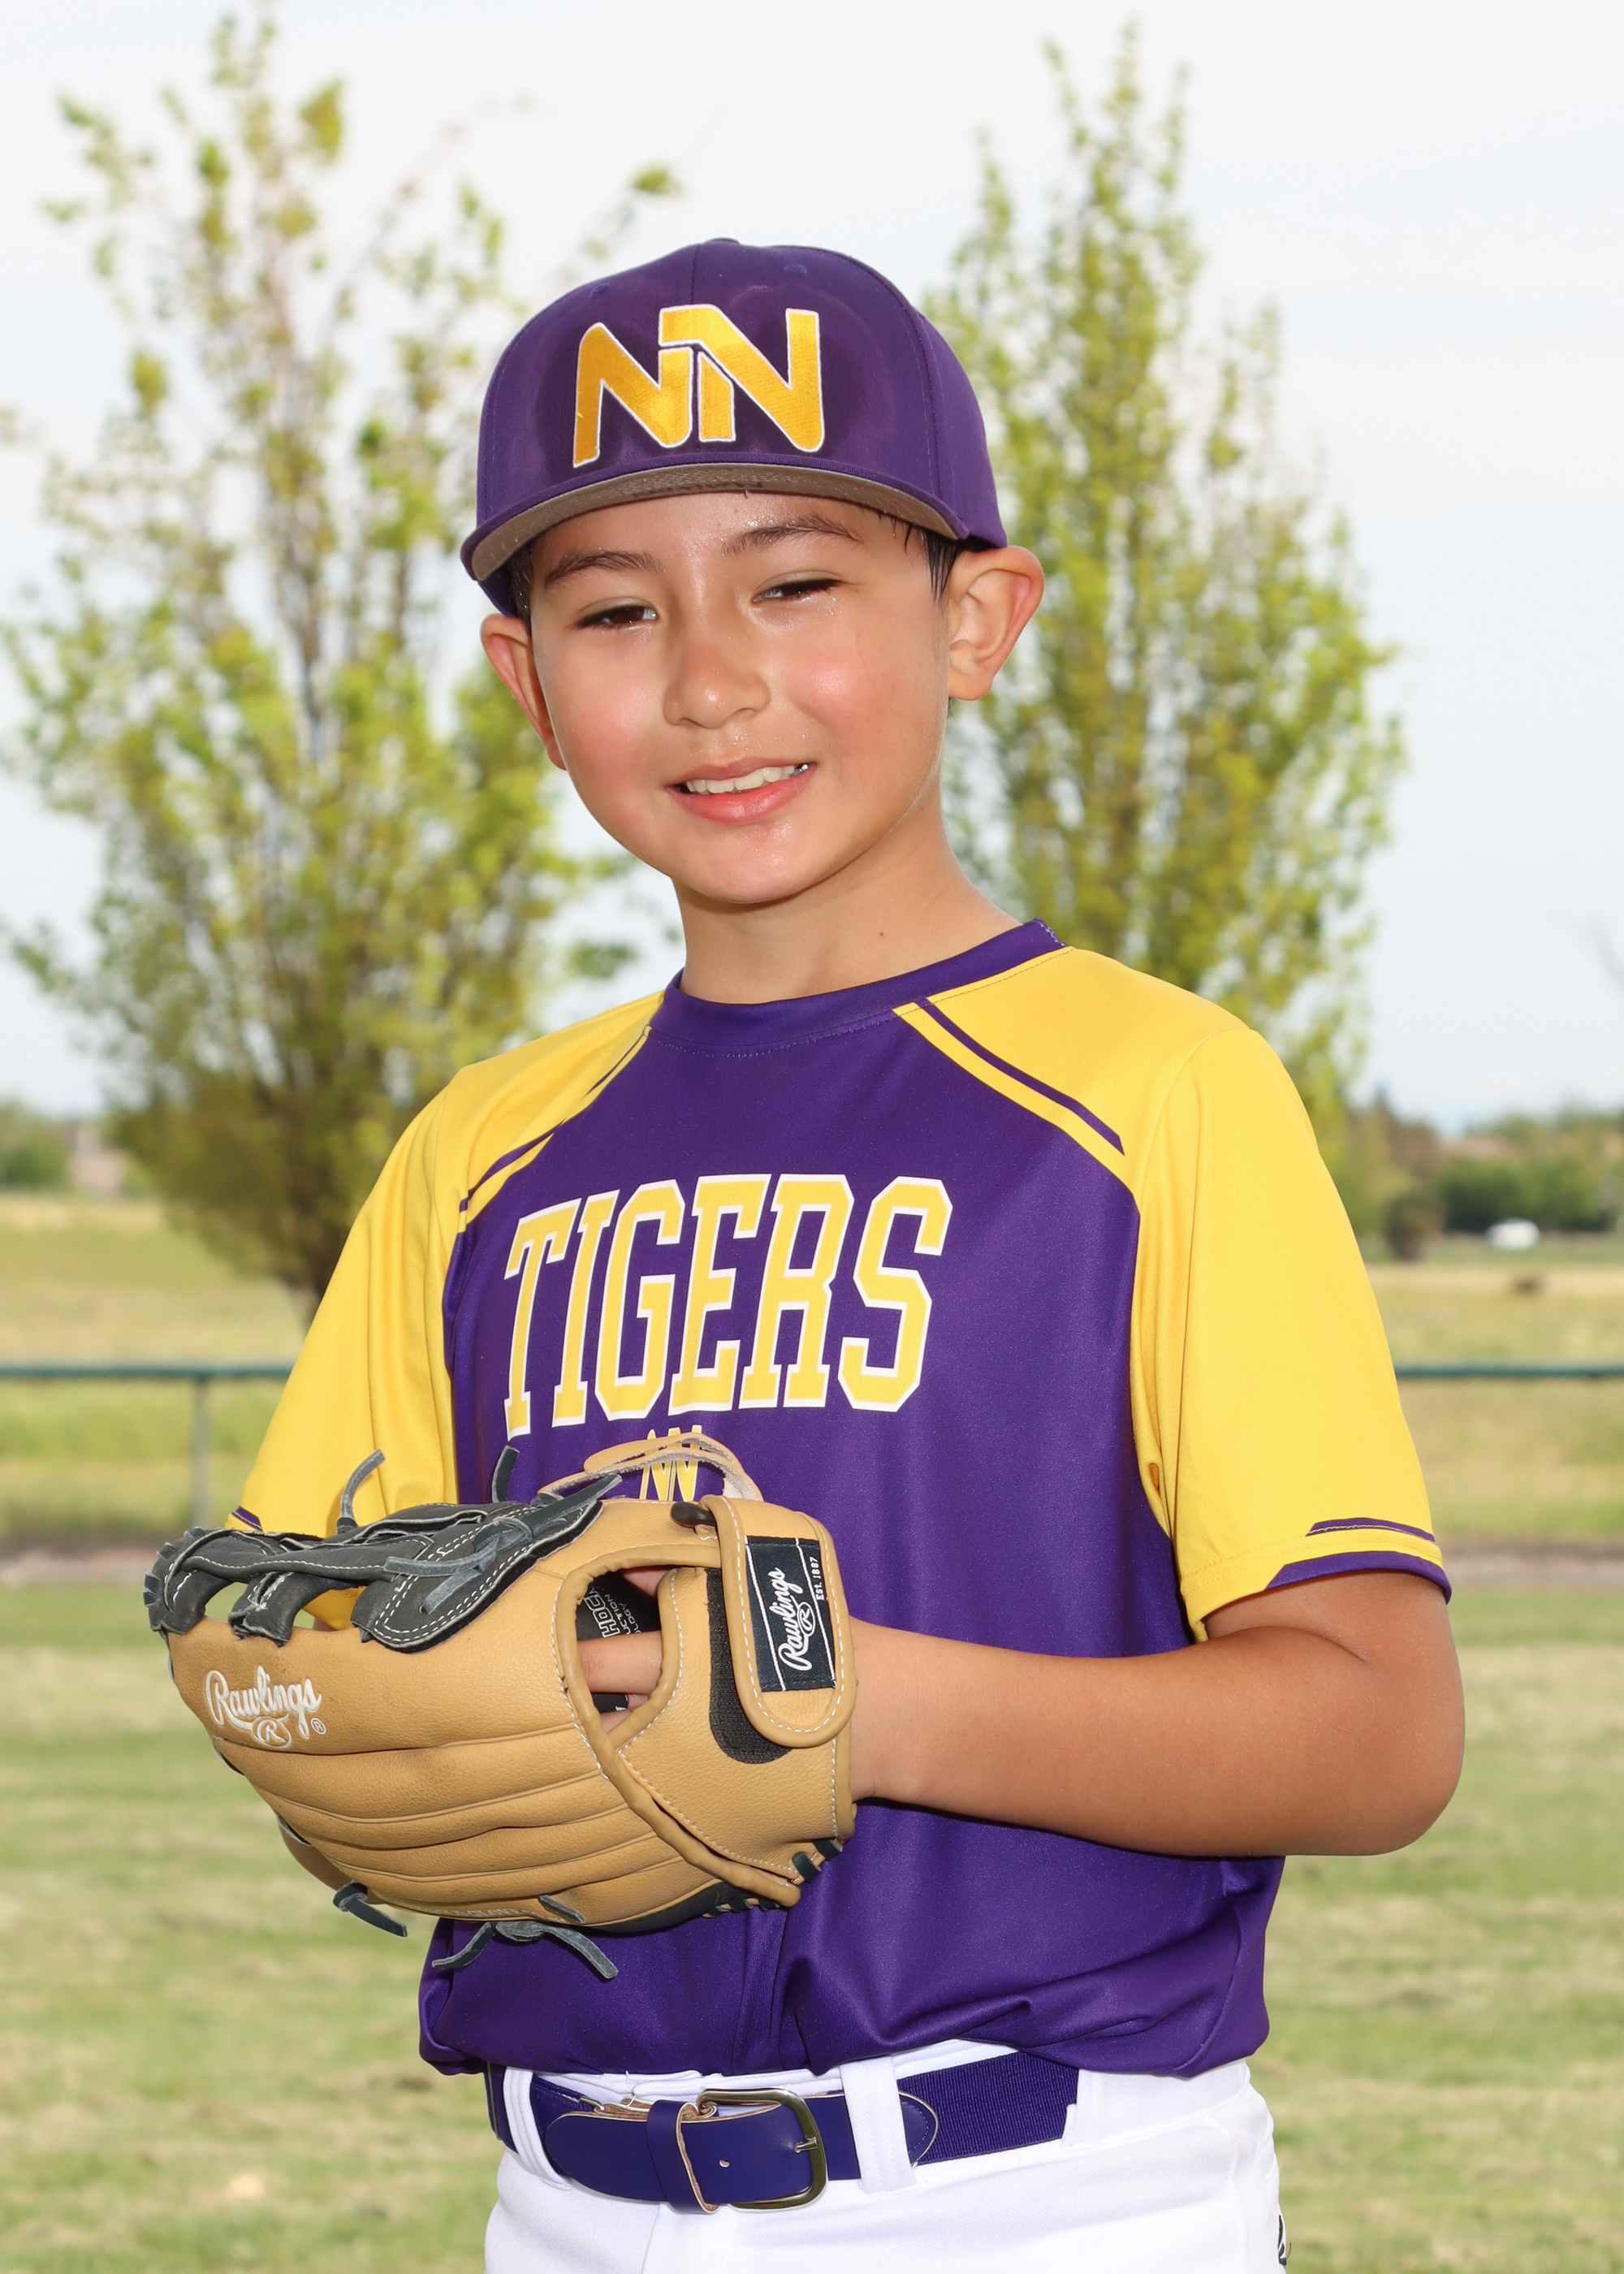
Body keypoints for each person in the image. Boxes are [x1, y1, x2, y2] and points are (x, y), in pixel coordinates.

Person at [236, 240, 1464, 2271]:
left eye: (794, 584)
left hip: (1035, 2192)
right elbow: (322, 1678)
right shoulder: (477, 1154)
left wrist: (834, 1697)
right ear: (528, 684)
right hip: (569, 2198)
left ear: (977, 617)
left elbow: (1376, 1729)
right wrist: (380, 1725)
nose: (709, 678)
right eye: (615, 609)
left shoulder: (1151, 1089)